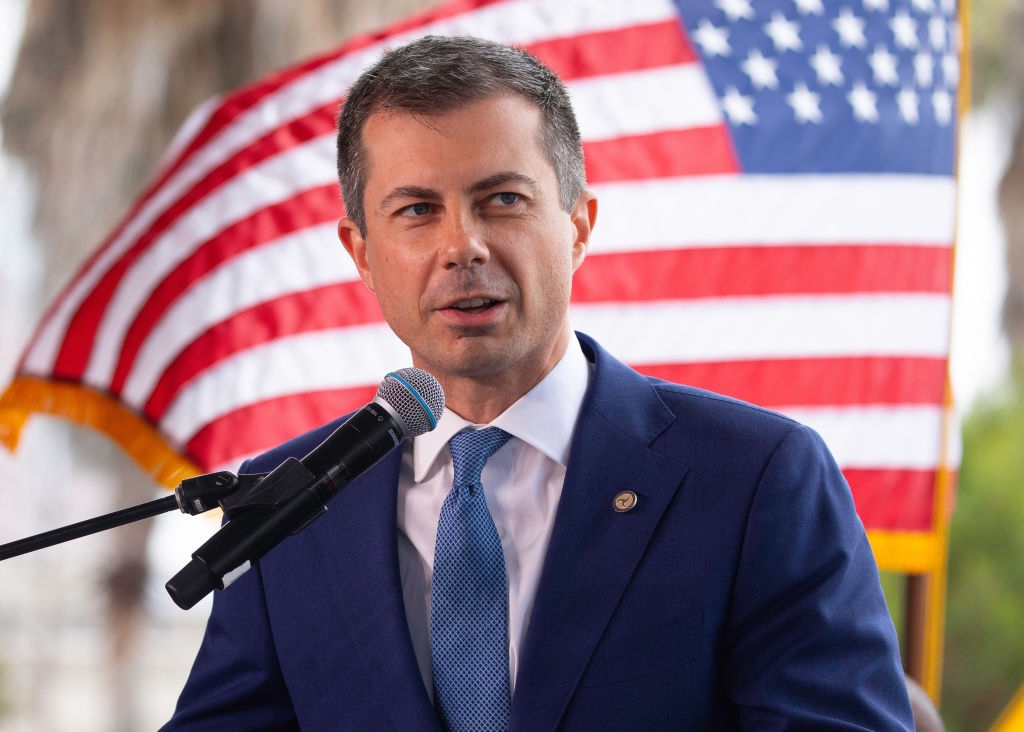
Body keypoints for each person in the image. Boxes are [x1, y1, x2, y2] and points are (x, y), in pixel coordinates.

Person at [161, 35, 915, 730]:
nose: (464, 246)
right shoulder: (285, 505)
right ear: (360, 252)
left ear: (579, 225)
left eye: (503, 200)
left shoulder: (757, 479)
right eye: (418, 210)